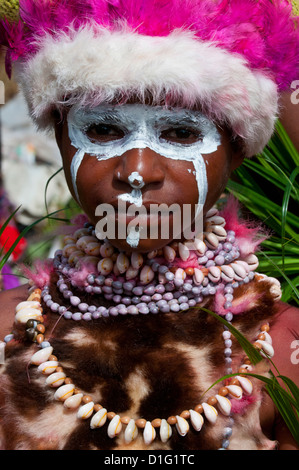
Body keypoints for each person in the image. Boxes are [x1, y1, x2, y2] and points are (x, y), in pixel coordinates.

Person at [0, 0, 298, 451]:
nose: (137, 170)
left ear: (235, 152)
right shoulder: (9, 328)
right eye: (102, 129)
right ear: (61, 139)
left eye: (180, 133)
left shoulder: (280, 343)